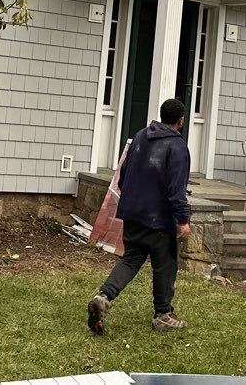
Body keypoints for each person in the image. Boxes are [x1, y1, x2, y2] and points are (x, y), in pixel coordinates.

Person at [87, 98, 192, 334]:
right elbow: (176, 189)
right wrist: (183, 220)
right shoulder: (177, 147)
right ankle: (163, 315)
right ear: (181, 121)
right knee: (165, 266)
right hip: (159, 219)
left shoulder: (141, 136)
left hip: (133, 213)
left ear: (162, 116)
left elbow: (123, 175)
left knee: (131, 259)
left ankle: (103, 297)